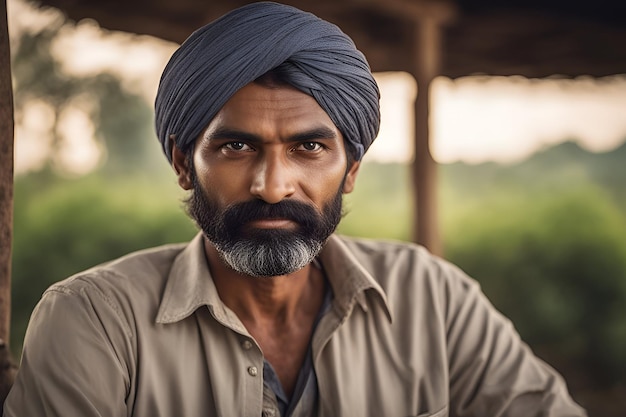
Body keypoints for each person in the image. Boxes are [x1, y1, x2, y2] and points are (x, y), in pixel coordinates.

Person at [4, 2, 587, 416]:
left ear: (351, 170)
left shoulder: (433, 300)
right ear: (184, 163)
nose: (273, 185)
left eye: (309, 147)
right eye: (237, 146)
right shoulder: (96, 322)